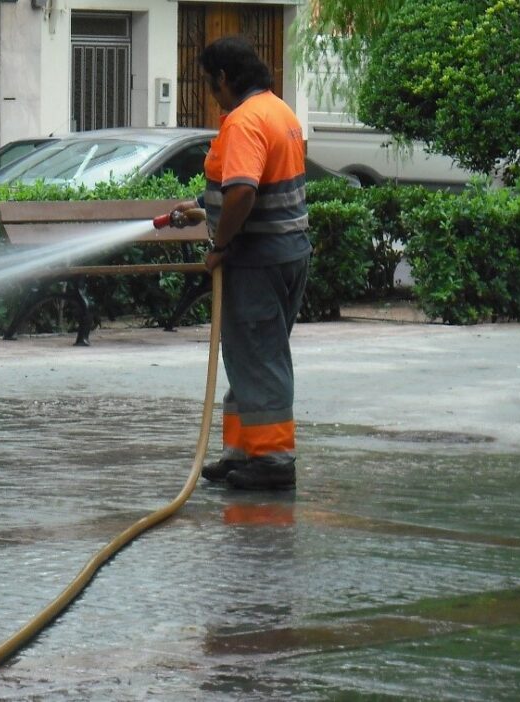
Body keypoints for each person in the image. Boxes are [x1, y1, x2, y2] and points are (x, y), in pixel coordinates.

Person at [173, 36, 310, 491]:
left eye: (210, 84)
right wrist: (202, 208)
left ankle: (272, 461)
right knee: (251, 357)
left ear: (224, 78)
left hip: (256, 261)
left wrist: (221, 242)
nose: (211, 93)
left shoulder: (244, 122)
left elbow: (245, 192)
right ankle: (242, 451)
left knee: (260, 357)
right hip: (288, 253)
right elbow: (256, 187)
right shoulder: (278, 111)